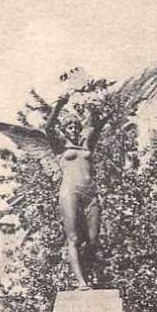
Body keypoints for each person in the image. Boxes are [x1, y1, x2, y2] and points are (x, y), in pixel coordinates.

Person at [44, 97, 106, 289]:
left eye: (75, 125)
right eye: (69, 126)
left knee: (94, 240)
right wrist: (60, 105)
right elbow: (48, 128)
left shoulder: (87, 146)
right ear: (64, 130)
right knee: (74, 238)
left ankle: (94, 276)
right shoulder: (59, 148)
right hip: (70, 192)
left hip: (90, 193)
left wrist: (96, 105)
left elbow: (97, 123)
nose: (73, 128)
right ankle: (81, 281)